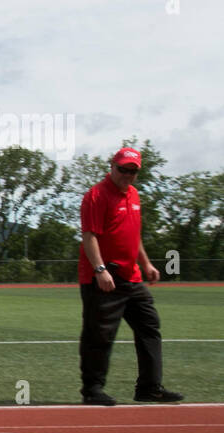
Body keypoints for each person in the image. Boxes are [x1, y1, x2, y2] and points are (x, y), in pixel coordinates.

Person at [78, 146, 183, 405]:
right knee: (99, 334)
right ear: (112, 167)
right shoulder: (96, 195)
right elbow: (89, 235)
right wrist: (100, 269)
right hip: (104, 277)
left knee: (149, 327)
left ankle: (149, 387)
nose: (127, 174)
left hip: (132, 277)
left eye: (132, 171)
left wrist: (146, 265)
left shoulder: (134, 195)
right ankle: (92, 390)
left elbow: (133, 236)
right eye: (122, 169)